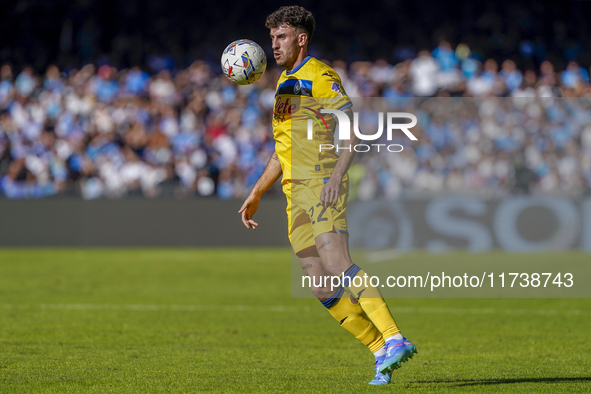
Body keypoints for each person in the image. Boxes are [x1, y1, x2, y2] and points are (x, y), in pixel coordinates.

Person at [238, 6, 416, 385]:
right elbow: (280, 151)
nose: (274, 44)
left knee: (337, 262)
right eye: (271, 38)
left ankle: (395, 337)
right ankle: (380, 350)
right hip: (293, 191)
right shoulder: (283, 84)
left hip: (321, 179)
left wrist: (337, 174)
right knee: (318, 281)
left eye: (281, 37)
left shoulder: (319, 75)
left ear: (301, 38)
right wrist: (255, 192)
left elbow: (352, 129)